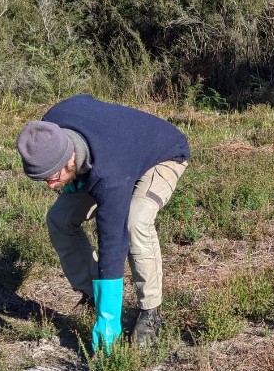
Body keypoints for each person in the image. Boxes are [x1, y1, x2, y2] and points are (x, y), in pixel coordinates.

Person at [15, 94, 190, 352]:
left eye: (53, 177)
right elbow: (83, 99)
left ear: (69, 158)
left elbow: (112, 242)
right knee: (59, 219)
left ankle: (150, 312)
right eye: (43, 179)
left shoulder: (110, 176)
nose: (50, 185)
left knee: (135, 219)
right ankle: (92, 293)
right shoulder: (48, 131)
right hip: (112, 152)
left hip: (161, 154)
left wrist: (108, 320)